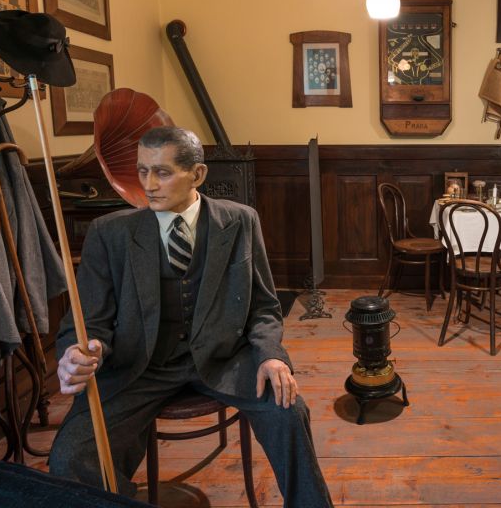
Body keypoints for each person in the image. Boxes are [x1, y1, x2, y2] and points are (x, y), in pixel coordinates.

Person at [49, 126, 333, 506]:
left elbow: (264, 305)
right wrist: (81, 351)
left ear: (197, 174)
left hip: (224, 359)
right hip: (139, 368)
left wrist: (270, 354)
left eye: (162, 172)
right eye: (142, 170)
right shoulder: (110, 233)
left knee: (289, 410)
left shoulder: (241, 221)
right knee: (70, 455)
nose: (148, 184)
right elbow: (87, 323)